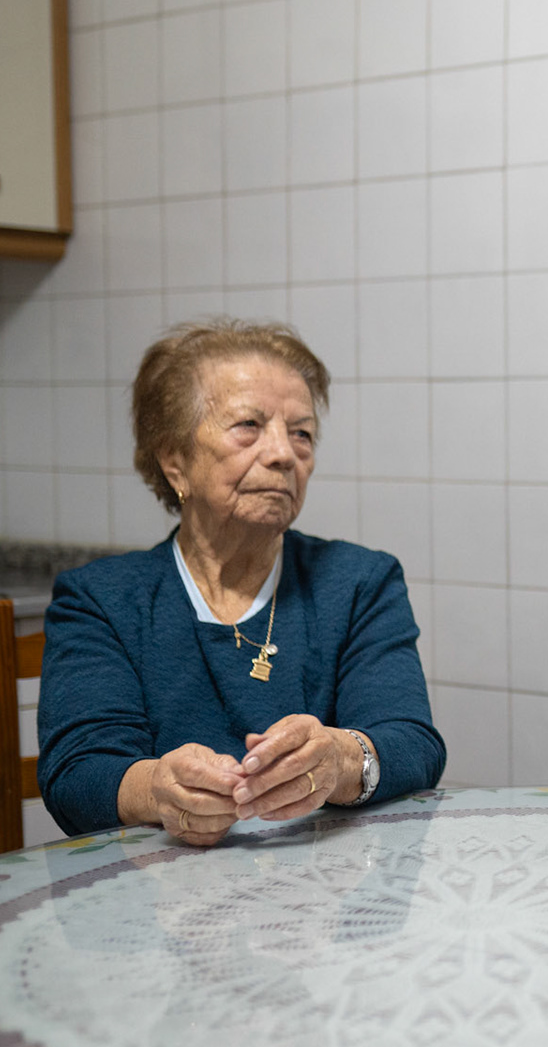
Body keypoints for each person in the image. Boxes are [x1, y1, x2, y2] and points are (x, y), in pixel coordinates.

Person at [38, 320, 445, 841]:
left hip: (325, 893)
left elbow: (413, 744)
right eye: (249, 426)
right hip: (157, 895)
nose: (282, 454)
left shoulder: (360, 581)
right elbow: (77, 773)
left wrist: (341, 759)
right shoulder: (101, 600)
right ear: (175, 461)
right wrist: (160, 788)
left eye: (301, 433)